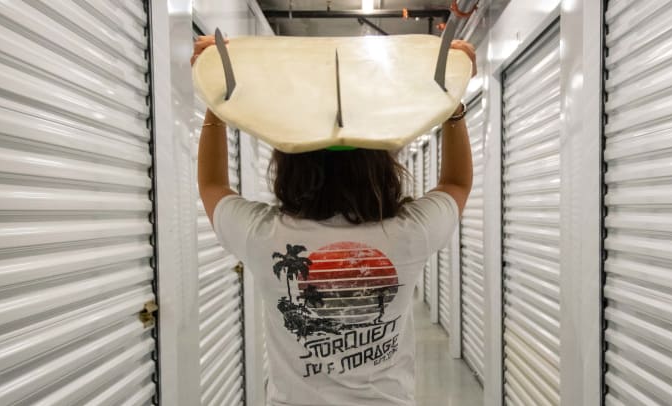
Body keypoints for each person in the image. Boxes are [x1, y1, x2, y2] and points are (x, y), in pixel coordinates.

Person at [193, 35, 475, 406]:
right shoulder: (411, 232)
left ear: (287, 169)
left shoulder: (265, 237)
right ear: (383, 167)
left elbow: (212, 184)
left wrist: (218, 101)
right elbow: (456, 183)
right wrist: (453, 105)